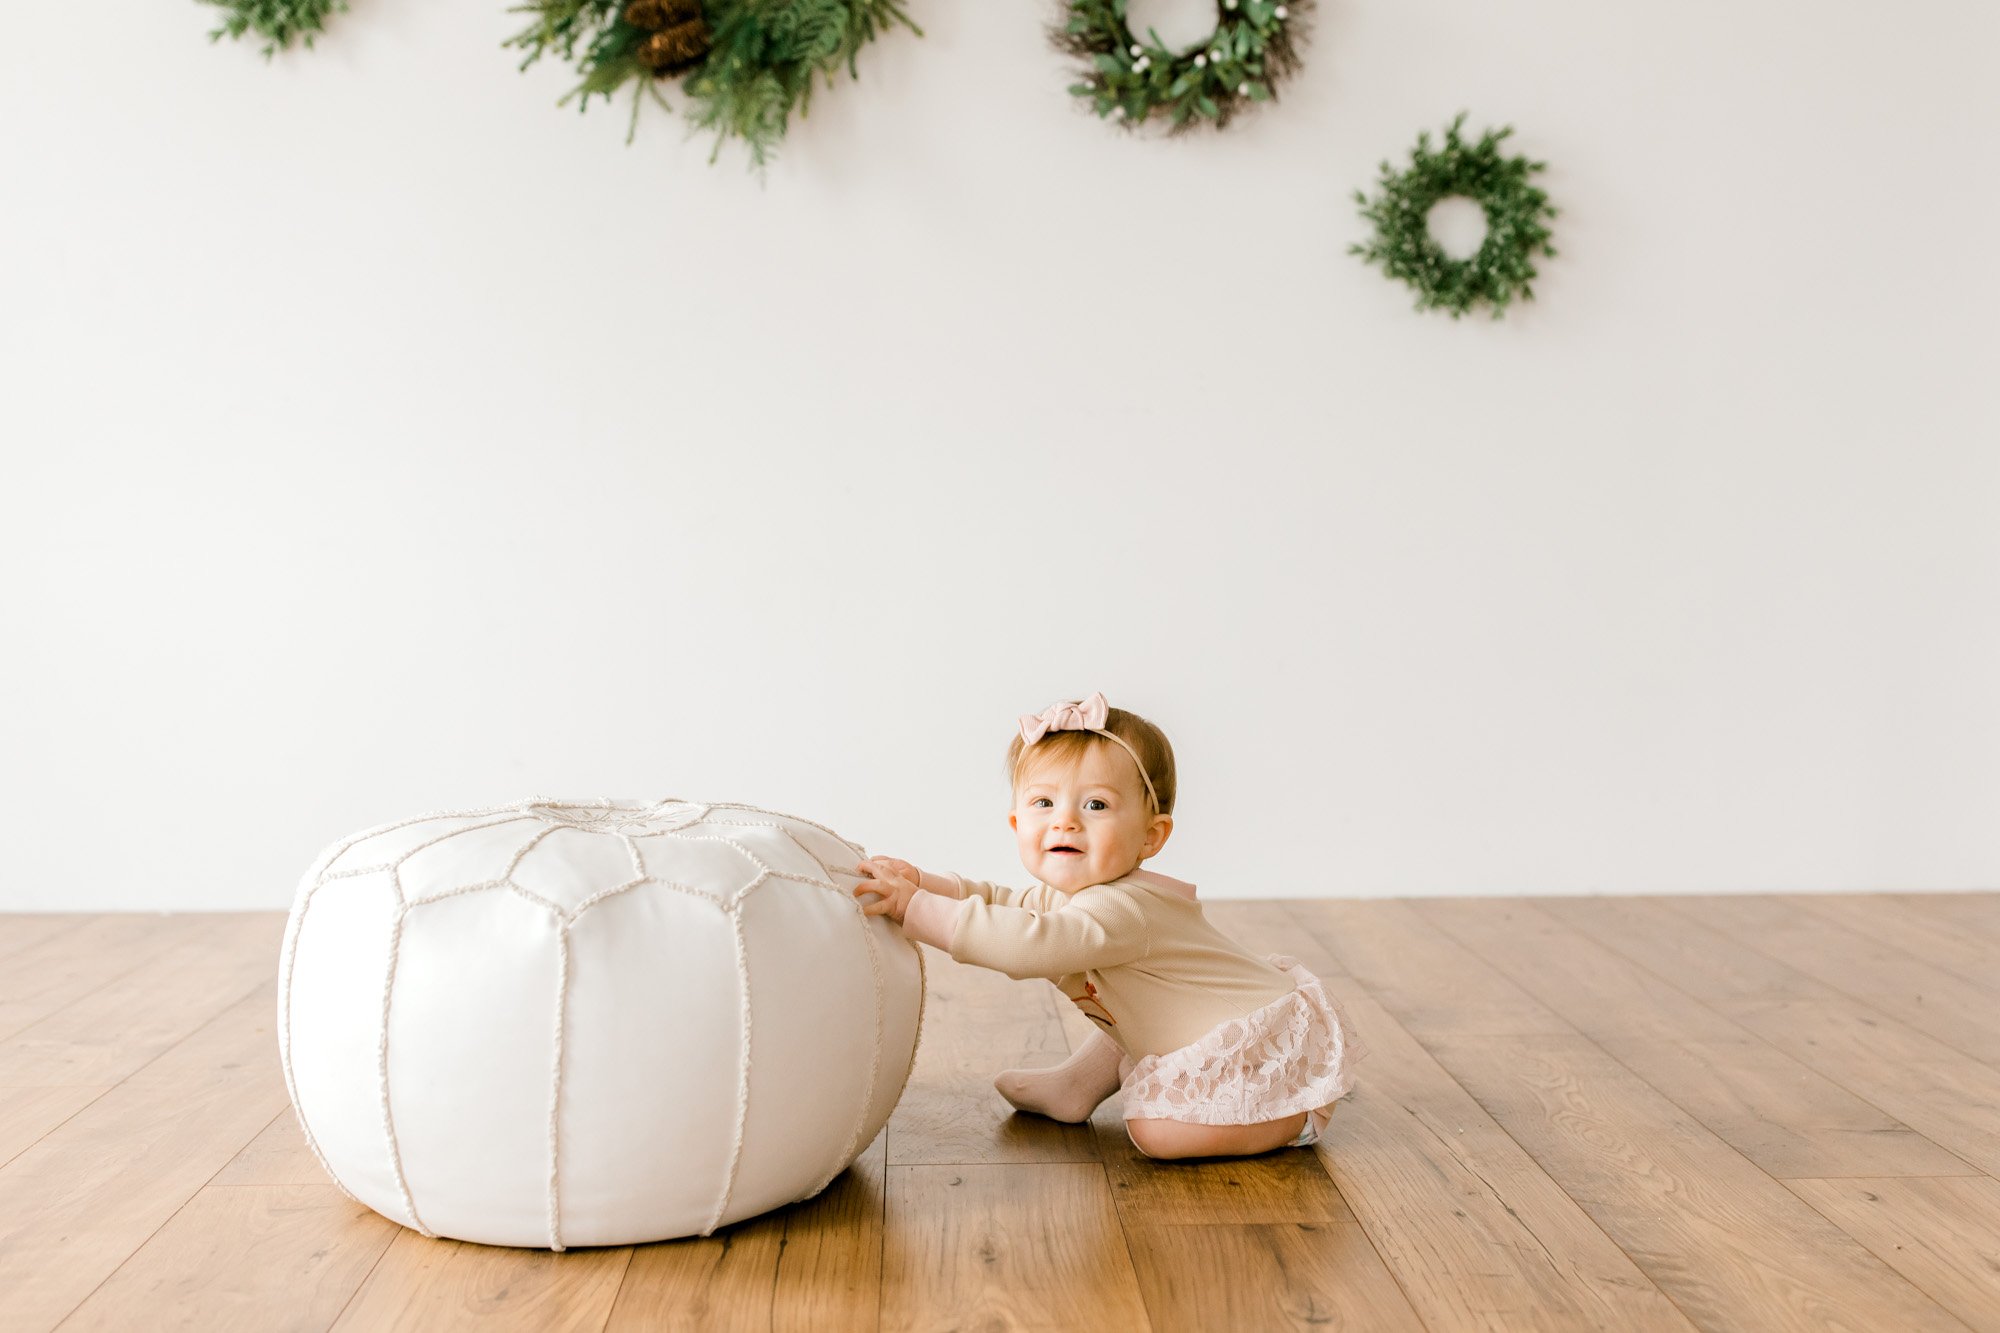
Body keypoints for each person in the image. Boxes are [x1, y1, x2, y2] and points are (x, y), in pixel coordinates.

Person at [852, 692, 1357, 1159]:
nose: (1064, 822)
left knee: (1154, 1132)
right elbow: (1003, 901)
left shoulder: (1123, 910)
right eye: (1043, 803)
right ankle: (1078, 1085)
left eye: (1095, 805)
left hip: (1256, 1044)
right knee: (1132, 1003)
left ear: (1150, 836)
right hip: (1183, 1019)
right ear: (1016, 823)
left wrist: (914, 908)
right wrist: (927, 883)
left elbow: (1029, 945)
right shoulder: (1071, 894)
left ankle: (1296, 1114)